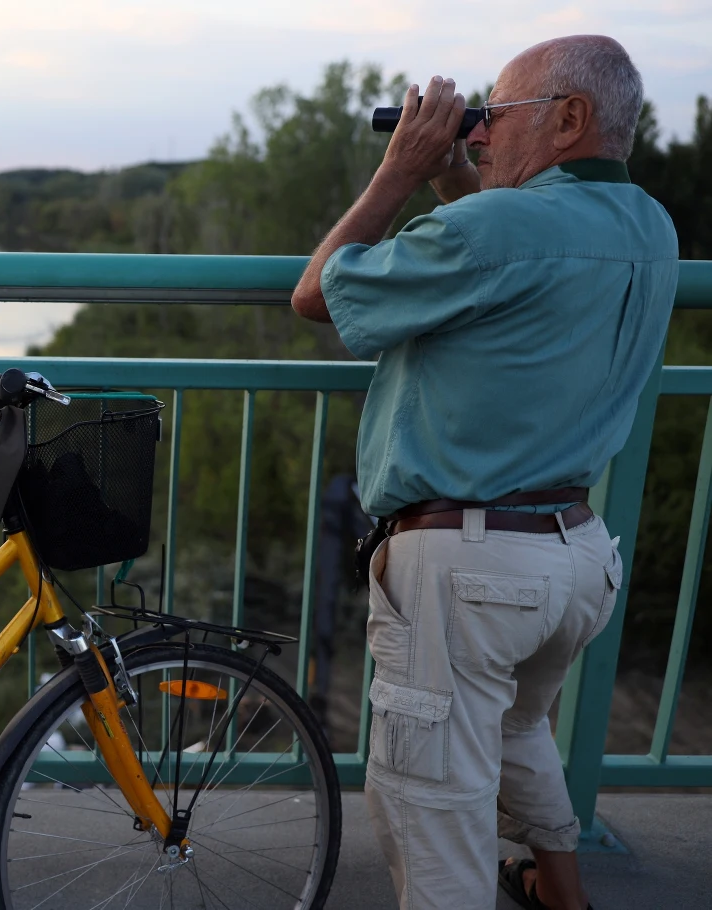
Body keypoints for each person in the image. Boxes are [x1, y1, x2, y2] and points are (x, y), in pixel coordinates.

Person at [289, 35, 679, 910]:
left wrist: (398, 171)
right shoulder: (652, 226)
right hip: (575, 559)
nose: (483, 132)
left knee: (433, 812)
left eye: (499, 115)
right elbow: (508, 254)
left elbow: (318, 294)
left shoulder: (499, 229)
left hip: (468, 575)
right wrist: (455, 178)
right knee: (516, 731)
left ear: (570, 119)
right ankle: (561, 894)